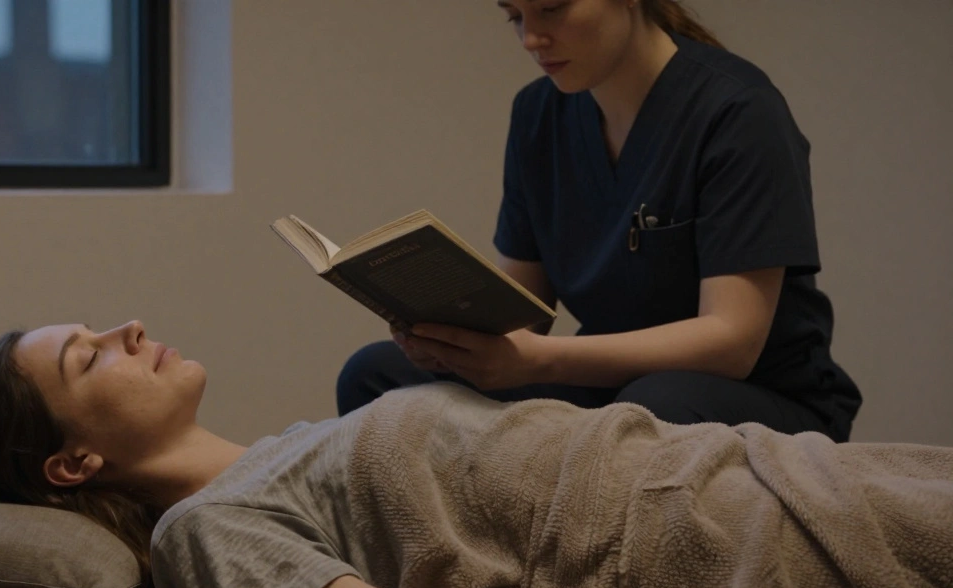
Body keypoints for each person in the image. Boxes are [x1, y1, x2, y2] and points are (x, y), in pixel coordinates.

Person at [0, 320, 953, 588]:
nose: (122, 330)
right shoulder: (201, 532)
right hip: (716, 546)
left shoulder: (291, 443)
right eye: (86, 359)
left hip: (752, 472)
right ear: (72, 462)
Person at [336, 0, 863, 443]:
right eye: (514, 15)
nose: (531, 38)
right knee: (376, 374)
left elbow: (732, 343)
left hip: (758, 394)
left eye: (552, 8)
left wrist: (538, 362)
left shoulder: (738, 111)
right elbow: (524, 316)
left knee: (651, 407)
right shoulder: (537, 115)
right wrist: (452, 344)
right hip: (607, 385)